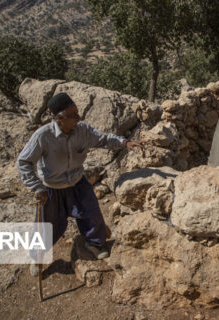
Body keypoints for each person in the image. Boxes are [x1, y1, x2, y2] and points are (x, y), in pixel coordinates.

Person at [17, 93, 143, 275]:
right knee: (47, 225)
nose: (78, 117)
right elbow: (23, 162)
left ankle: (94, 244)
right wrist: (36, 187)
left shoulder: (82, 130)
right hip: (52, 188)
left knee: (91, 214)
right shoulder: (43, 136)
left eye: (77, 112)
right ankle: (37, 257)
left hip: (77, 182)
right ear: (60, 118)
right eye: (73, 115)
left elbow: (104, 139)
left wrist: (125, 142)